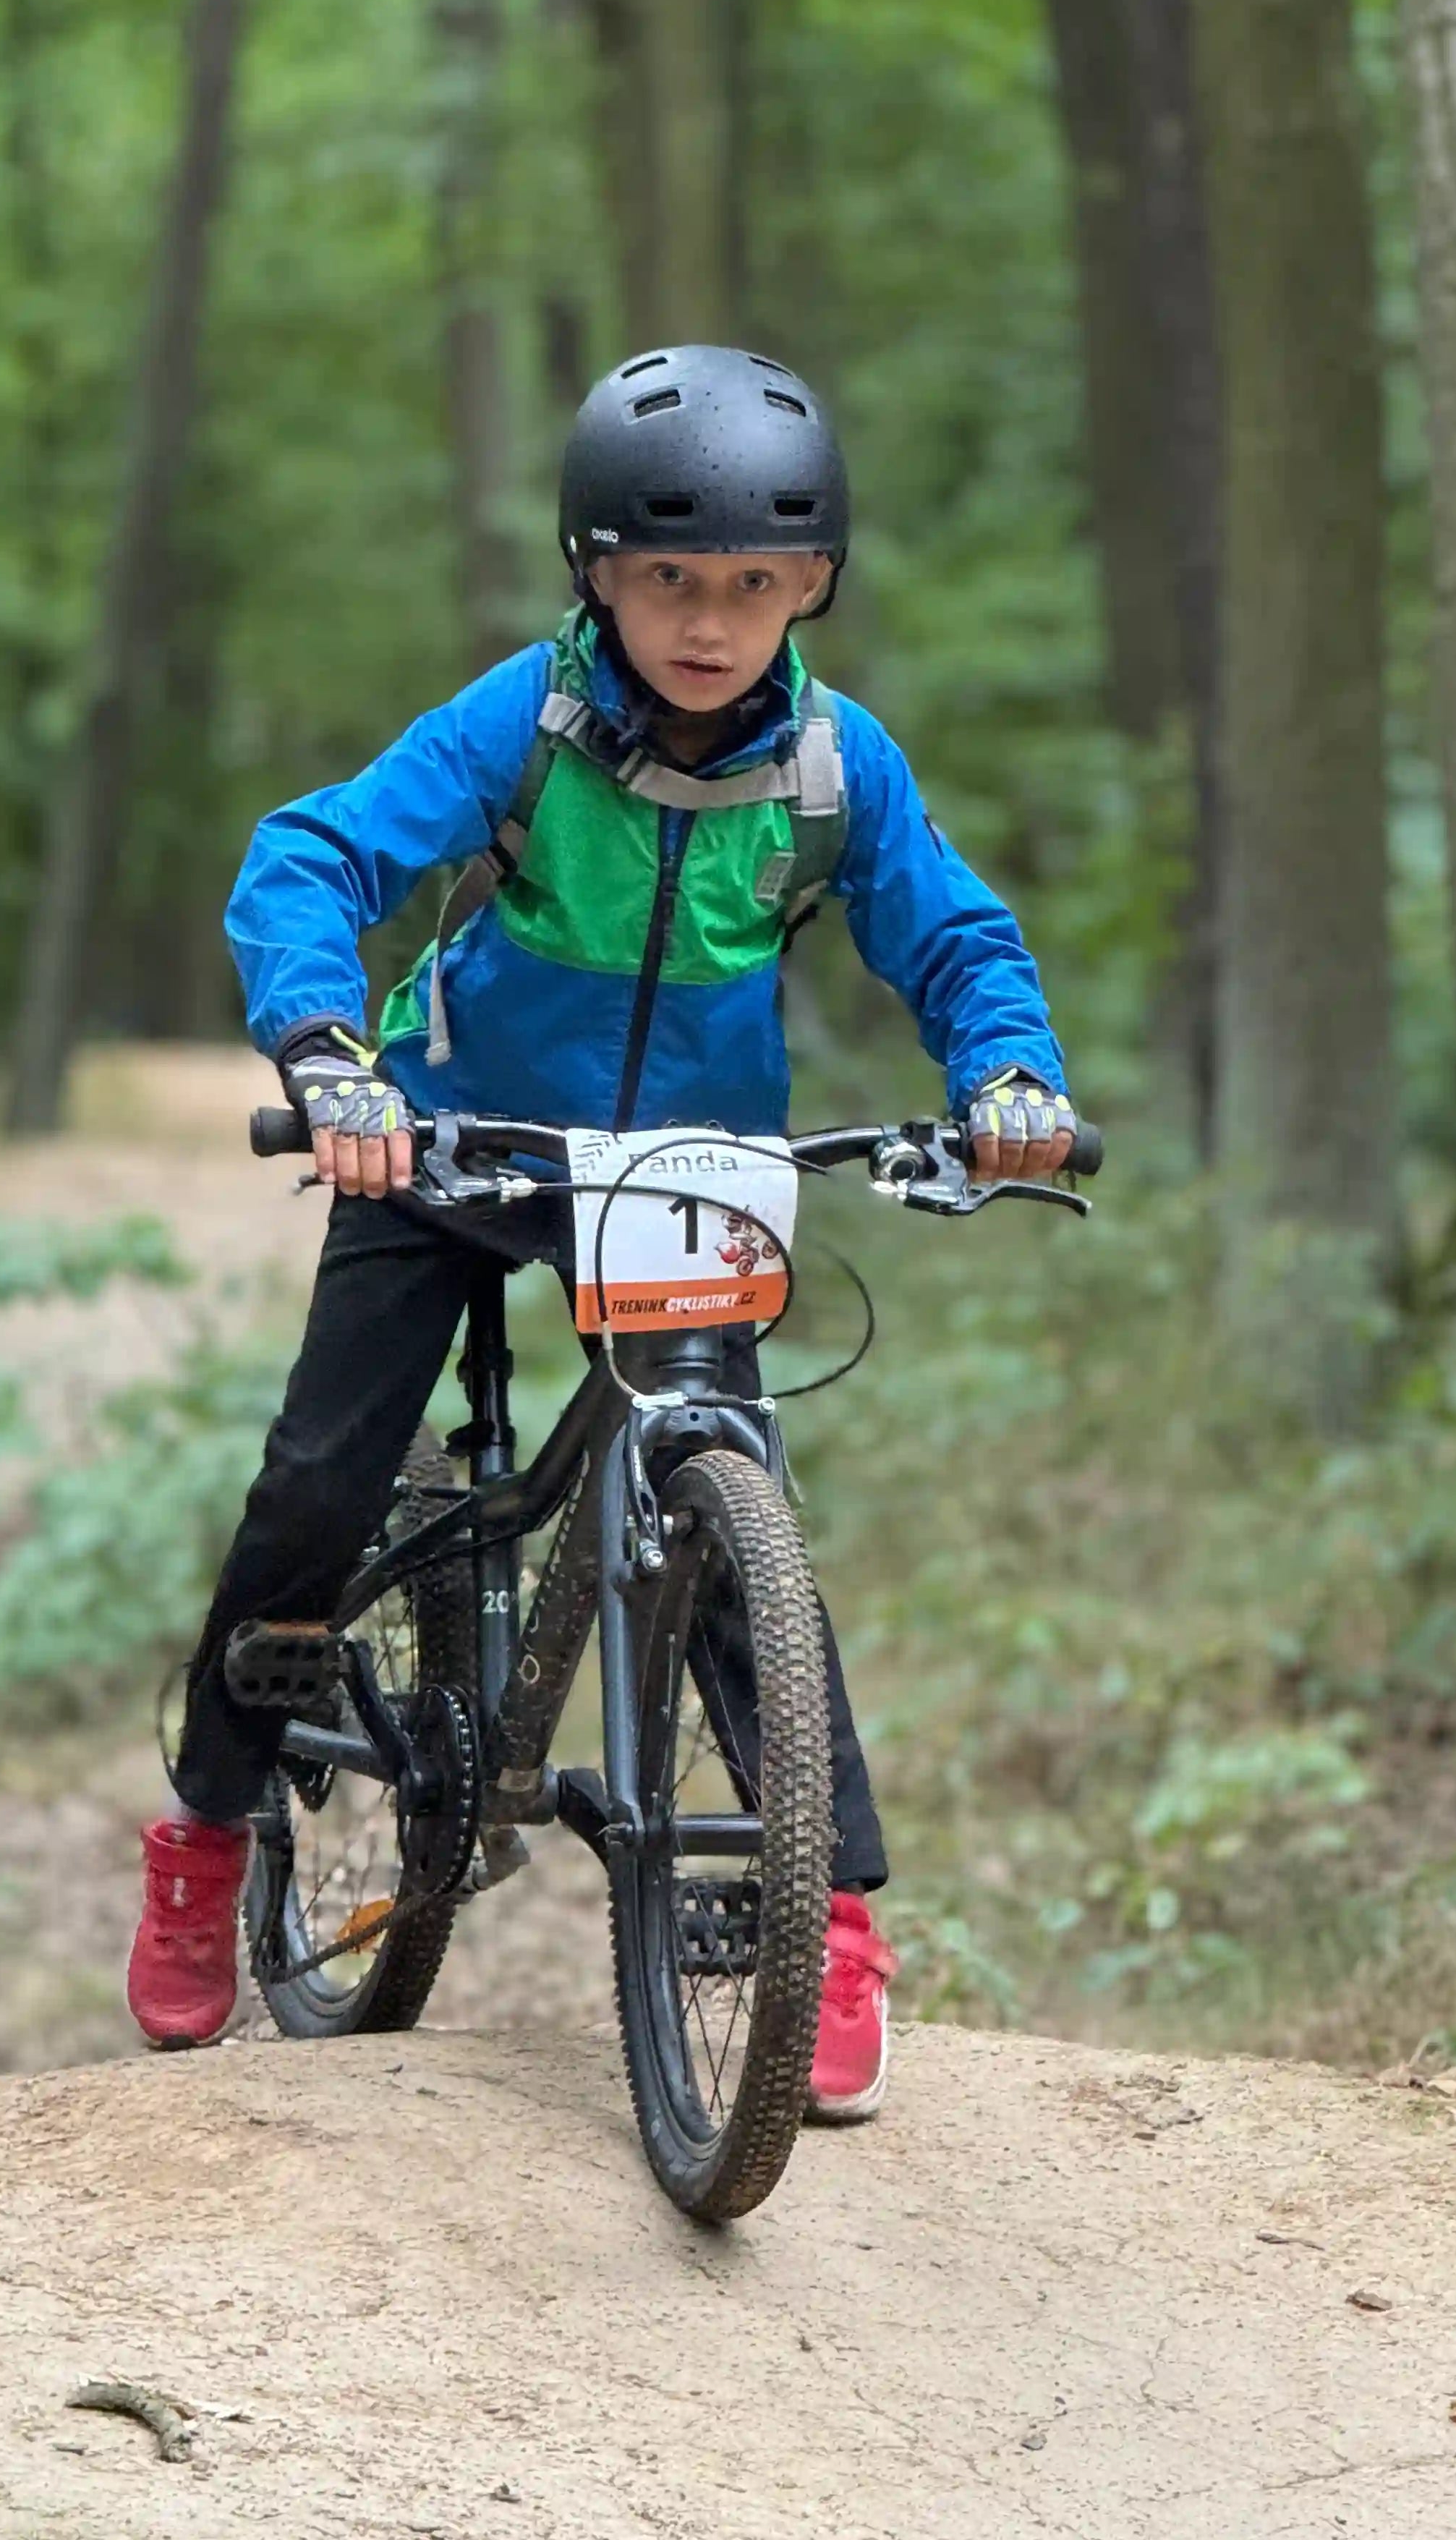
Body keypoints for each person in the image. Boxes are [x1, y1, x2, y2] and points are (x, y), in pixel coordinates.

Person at [127, 344, 1078, 2120]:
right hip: (444, 1135)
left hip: (682, 1162)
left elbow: (955, 939)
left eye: (751, 585)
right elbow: (315, 857)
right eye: (666, 582)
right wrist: (333, 1058)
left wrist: (1009, 1076)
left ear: (810, 590)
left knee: (730, 1499)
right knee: (323, 1484)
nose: (706, 622)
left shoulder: (830, 762)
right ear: (597, 575)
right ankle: (207, 1822)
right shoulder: (529, 721)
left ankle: (832, 1916)